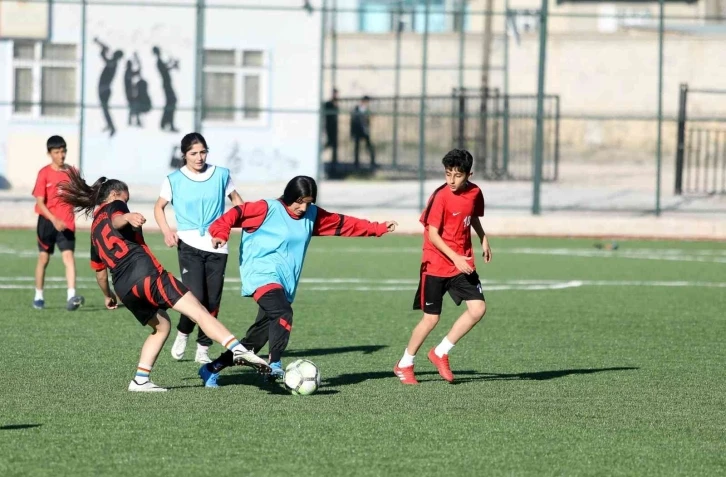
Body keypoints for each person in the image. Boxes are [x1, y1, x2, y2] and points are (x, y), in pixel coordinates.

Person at [58, 168, 270, 392]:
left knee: (162, 326)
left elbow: (100, 272)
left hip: (124, 289)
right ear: (113, 195)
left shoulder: (94, 229)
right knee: (198, 311)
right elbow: (116, 219)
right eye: (125, 199)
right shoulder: (116, 205)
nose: (125, 203)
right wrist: (127, 217)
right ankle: (238, 349)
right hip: (145, 274)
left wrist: (108, 296)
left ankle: (140, 380)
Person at [198, 176, 398, 388]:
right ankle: (275, 365)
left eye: (308, 203)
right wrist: (220, 234)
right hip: (261, 274)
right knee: (283, 312)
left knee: (256, 340)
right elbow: (233, 215)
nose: (303, 208)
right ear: (289, 196)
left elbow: (344, 223)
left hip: (285, 282)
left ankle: (211, 368)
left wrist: (378, 228)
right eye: (299, 202)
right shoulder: (266, 209)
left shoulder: (311, 215)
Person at [394, 149, 492, 385]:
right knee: (431, 319)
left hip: (461, 263)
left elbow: (472, 216)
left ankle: (440, 352)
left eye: (457, 175)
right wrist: (455, 257)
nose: (451, 180)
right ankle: (404, 363)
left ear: (469, 175)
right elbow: (433, 234)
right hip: (436, 264)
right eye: (448, 174)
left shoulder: (475, 192)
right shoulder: (440, 197)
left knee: (478, 309)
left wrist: (483, 238)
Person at [154, 132, 244, 365]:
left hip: (217, 244)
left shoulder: (221, 175)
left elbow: (238, 203)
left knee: (212, 301)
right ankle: (183, 332)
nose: (199, 157)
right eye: (193, 153)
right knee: (195, 297)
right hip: (188, 244)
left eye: (203, 152)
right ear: (184, 155)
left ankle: (203, 349)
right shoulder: (173, 179)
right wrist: (167, 231)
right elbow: (159, 207)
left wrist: (237, 224)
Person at [32, 135, 85, 311]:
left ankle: (71, 297)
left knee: (68, 257)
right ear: (49, 153)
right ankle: (38, 296)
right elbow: (40, 202)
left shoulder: (72, 172)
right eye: (57, 152)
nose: (61, 155)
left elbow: (79, 195)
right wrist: (54, 219)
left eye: (63, 151)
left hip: (67, 223)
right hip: (47, 222)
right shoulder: (44, 173)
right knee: (44, 258)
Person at [350, 95, 376, 170]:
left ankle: (372, 161)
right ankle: (356, 163)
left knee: (369, 145)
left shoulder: (366, 110)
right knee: (357, 147)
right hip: (358, 130)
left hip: (364, 130)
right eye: (366, 102)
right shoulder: (356, 109)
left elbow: (370, 117)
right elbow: (353, 120)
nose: (367, 103)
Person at [324, 88, 339, 168]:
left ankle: (334, 162)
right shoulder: (328, 103)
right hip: (329, 126)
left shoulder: (336, 103)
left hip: (334, 127)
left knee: (334, 144)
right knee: (330, 142)